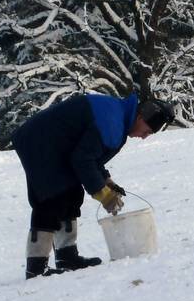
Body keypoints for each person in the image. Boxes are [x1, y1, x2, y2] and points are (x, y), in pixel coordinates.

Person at [12, 92, 175, 279]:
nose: (144, 137)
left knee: (72, 193)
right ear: (140, 117)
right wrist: (104, 195)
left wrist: (106, 181)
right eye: (147, 131)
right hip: (40, 142)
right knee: (52, 197)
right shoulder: (113, 123)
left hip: (54, 143)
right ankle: (36, 268)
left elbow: (91, 154)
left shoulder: (119, 117)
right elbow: (83, 160)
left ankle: (67, 257)